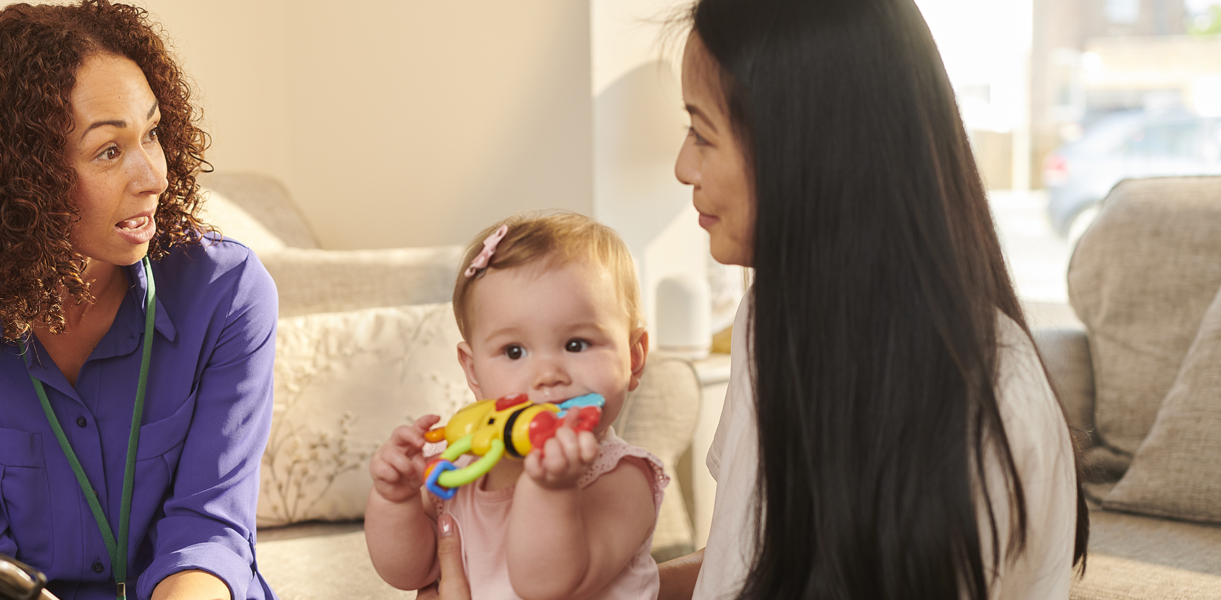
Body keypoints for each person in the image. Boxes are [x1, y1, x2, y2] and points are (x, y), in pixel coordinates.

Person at [427, 0, 1090, 598]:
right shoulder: (770, 323)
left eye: (702, 134)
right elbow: (748, 566)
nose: (684, 167)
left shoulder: (987, 406)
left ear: (804, 151)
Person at [0, 2, 277, 600]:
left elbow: (210, 533)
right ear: (18, 180)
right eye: (109, 151)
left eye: (153, 134)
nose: (154, 177)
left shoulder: (228, 292)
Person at [366, 212, 670, 600]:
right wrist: (396, 500)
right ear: (474, 373)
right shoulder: (461, 468)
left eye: (576, 344)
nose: (548, 375)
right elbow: (409, 571)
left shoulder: (621, 477)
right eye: (514, 351)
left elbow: (545, 584)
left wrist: (549, 488)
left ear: (634, 356)